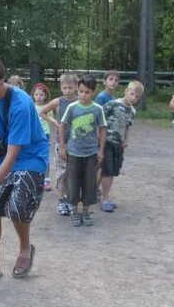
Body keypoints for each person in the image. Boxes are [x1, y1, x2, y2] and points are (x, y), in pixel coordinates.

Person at [0, 53, 49, 282]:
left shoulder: (22, 104)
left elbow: (14, 156)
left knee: (17, 204)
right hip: (8, 152)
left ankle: (25, 248)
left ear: (0, 79)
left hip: (31, 155)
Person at [60, 74, 107, 226]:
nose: (83, 95)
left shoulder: (97, 109)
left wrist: (101, 150)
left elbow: (102, 130)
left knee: (89, 183)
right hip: (73, 153)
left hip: (91, 153)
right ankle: (74, 211)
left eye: (87, 92)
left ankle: (85, 212)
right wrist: (62, 146)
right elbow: (62, 126)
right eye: (81, 91)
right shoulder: (72, 107)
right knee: (73, 183)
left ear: (93, 92)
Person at [99, 80, 144, 212]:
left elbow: (127, 126)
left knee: (111, 171)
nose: (134, 98)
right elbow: (99, 116)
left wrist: (126, 140)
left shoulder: (132, 111)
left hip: (118, 144)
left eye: (137, 97)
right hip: (107, 142)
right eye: (132, 94)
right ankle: (104, 199)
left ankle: (98, 195)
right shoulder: (113, 104)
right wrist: (98, 135)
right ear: (126, 92)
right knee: (107, 171)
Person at [39, 72, 79, 215]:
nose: (67, 91)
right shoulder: (58, 101)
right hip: (62, 142)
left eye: (70, 87)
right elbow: (42, 112)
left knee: (73, 173)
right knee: (62, 172)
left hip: (77, 143)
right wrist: (54, 121)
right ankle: (61, 201)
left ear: (76, 87)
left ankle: (70, 200)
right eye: (64, 88)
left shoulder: (81, 101)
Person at [32, 82, 53, 190]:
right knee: (33, 156)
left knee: (45, 157)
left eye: (41, 95)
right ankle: (35, 178)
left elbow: (49, 122)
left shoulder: (47, 107)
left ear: (45, 96)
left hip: (45, 134)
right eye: (36, 94)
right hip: (33, 135)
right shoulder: (30, 106)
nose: (38, 97)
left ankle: (47, 179)